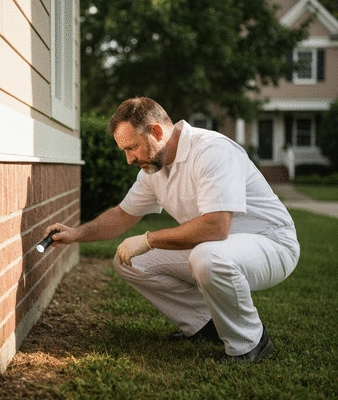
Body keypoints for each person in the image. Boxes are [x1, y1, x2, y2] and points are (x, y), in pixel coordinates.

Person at [43, 97, 300, 362]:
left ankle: (250, 342)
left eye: (132, 147)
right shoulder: (153, 170)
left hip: (271, 244)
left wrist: (149, 239)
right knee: (131, 262)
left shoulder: (212, 151)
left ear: (156, 132)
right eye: (125, 150)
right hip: (218, 248)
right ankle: (204, 324)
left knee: (208, 257)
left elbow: (216, 226)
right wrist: (75, 234)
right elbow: (121, 215)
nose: (129, 158)